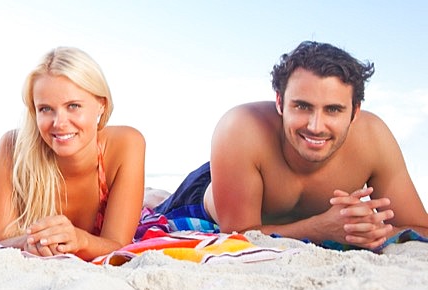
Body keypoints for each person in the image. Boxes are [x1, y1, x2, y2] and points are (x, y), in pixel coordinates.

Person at [154, 41, 428, 250]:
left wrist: (373, 230)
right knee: (152, 207)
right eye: (302, 106)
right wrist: (321, 227)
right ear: (280, 102)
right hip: (210, 192)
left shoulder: (374, 139)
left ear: (354, 112)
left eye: (333, 109)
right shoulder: (240, 128)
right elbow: (237, 235)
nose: (315, 126)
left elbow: (420, 227)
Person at [0, 47, 146, 261]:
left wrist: (81, 241)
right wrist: (31, 242)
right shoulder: (13, 148)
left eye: (73, 106)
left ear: (101, 104)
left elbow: (118, 245)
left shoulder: (126, 144)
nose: (59, 123)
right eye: (45, 109)